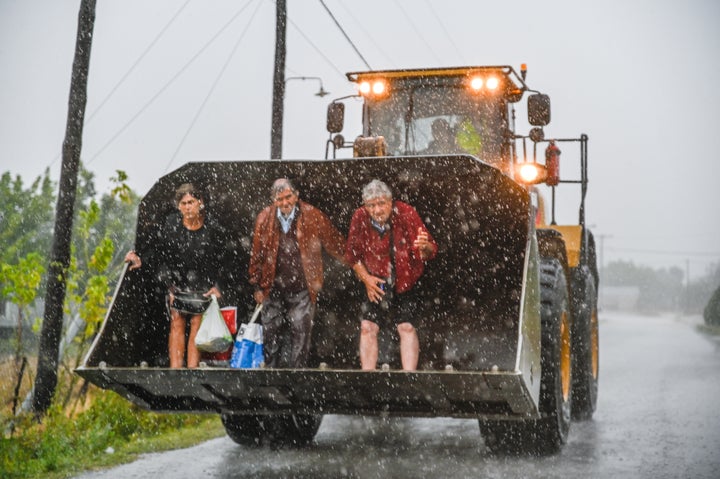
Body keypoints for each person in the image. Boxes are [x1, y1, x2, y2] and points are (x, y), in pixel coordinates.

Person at [125, 183, 227, 368]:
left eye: (191, 202)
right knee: (177, 322)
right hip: (177, 282)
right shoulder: (171, 225)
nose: (188, 207)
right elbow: (158, 253)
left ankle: (192, 369)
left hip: (202, 284)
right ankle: (176, 369)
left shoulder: (212, 227)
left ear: (200, 202)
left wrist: (217, 286)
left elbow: (223, 260)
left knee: (197, 322)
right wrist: (141, 260)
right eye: (184, 203)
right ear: (179, 206)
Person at [249, 178, 346, 368]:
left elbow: (335, 243)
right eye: (280, 199)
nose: (285, 203)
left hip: (303, 285)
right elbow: (257, 255)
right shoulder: (264, 218)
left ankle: (297, 375)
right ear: (273, 200)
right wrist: (257, 285)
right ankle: (271, 374)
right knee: (271, 330)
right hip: (273, 285)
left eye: (288, 197)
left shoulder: (312, 215)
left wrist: (355, 263)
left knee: (300, 329)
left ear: (296, 194)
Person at [345, 179, 438, 371]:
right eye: (372, 205)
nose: (377, 210)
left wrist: (424, 247)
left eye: (381, 204)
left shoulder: (407, 213)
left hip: (406, 279)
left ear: (390, 201)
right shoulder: (359, 217)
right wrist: (366, 279)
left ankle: (409, 375)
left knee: (406, 327)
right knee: (367, 327)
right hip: (375, 281)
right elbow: (352, 256)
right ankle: (368, 375)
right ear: (365, 206)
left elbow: (430, 251)